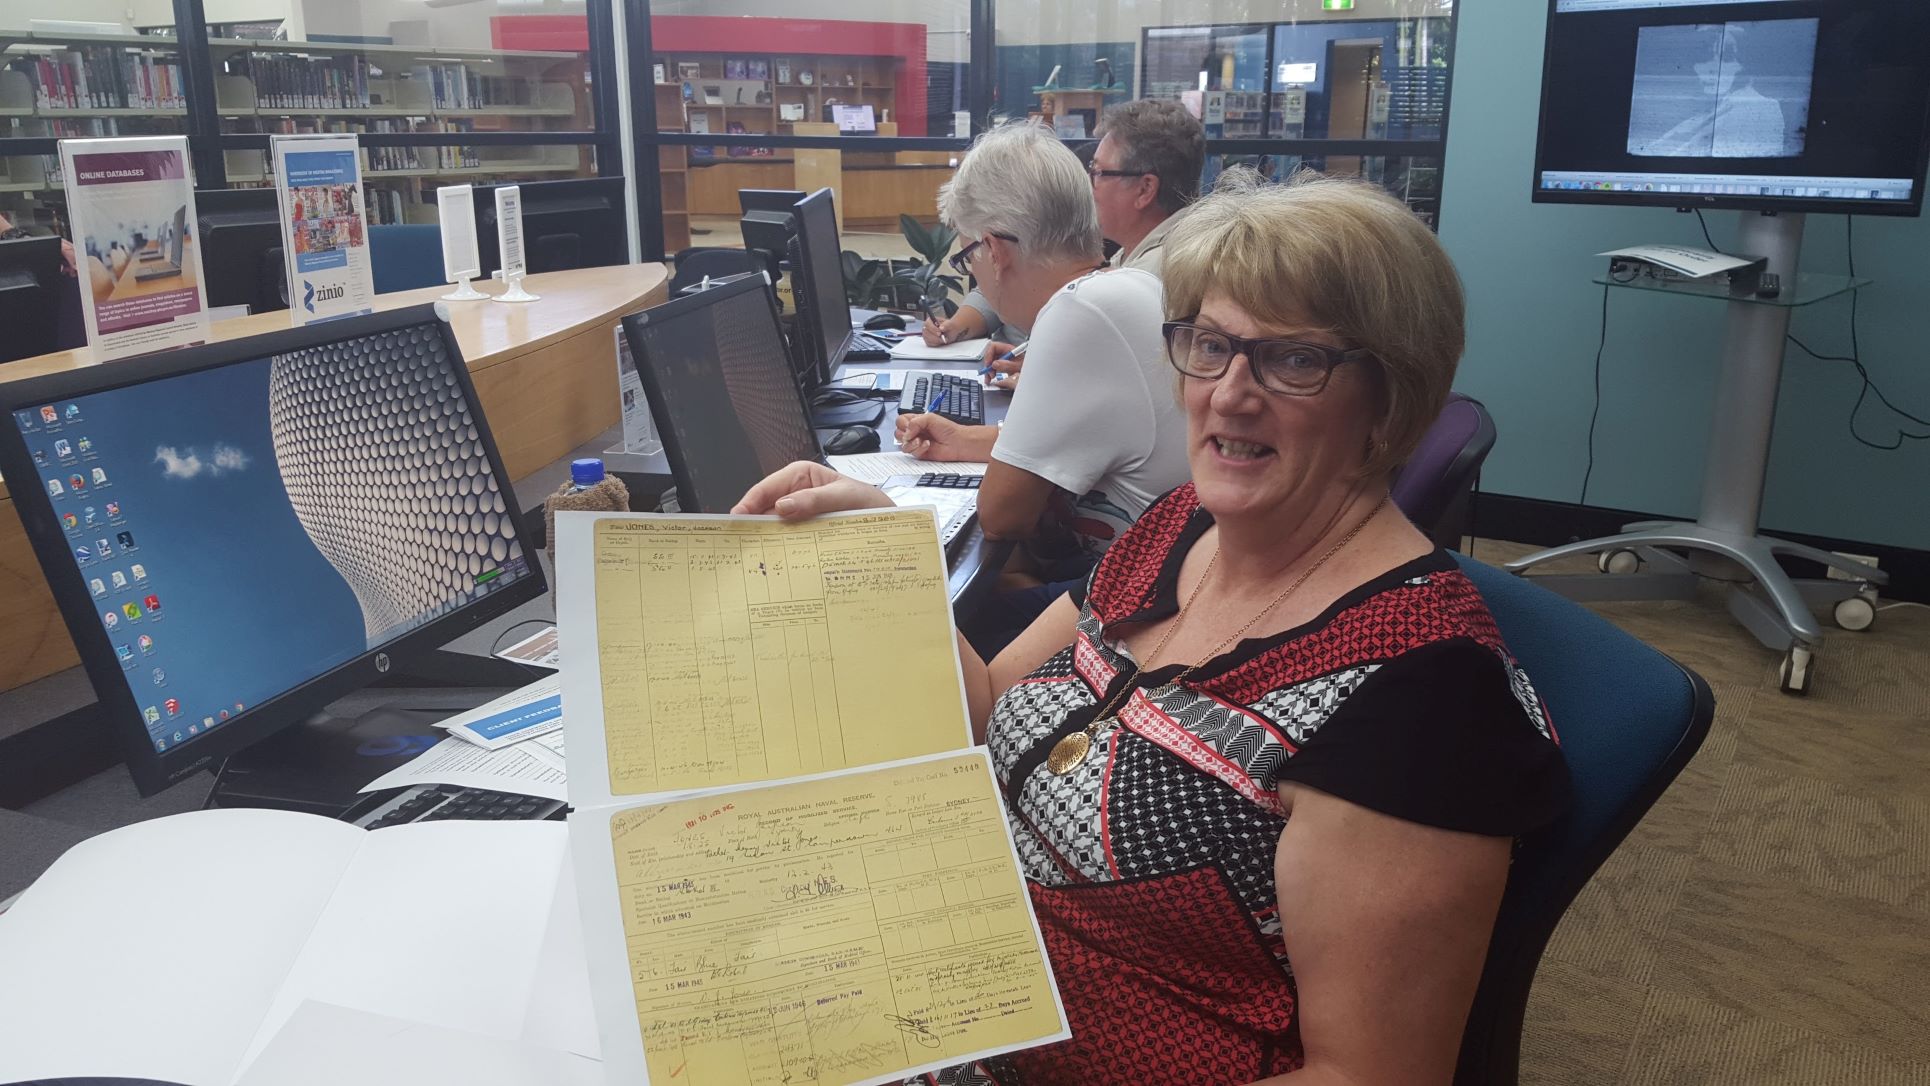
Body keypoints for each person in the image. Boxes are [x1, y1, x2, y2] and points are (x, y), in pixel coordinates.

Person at [735, 169, 1572, 1085]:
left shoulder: (1425, 692)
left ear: (1392, 398)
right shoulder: (1180, 529)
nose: (1229, 393)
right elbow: (983, 707)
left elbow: (1367, 1076)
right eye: (1209, 344)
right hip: (949, 989)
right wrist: (883, 555)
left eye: (1295, 360)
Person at [896, 121, 1190, 633]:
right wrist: (968, 441)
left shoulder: (1079, 311)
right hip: (1153, 578)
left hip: (1148, 606)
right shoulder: (1122, 285)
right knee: (1008, 573)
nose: (977, 275)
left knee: (939, 615)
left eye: (969, 258)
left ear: (996, 250)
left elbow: (1001, 515)